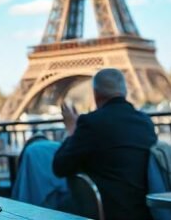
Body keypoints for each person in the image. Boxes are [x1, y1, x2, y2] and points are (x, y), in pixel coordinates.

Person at [52, 68, 157, 220]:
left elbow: (59, 167)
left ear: (95, 94)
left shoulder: (91, 122)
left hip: (106, 211)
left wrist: (72, 131)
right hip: (145, 210)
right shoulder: (145, 121)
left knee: (51, 196)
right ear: (124, 91)